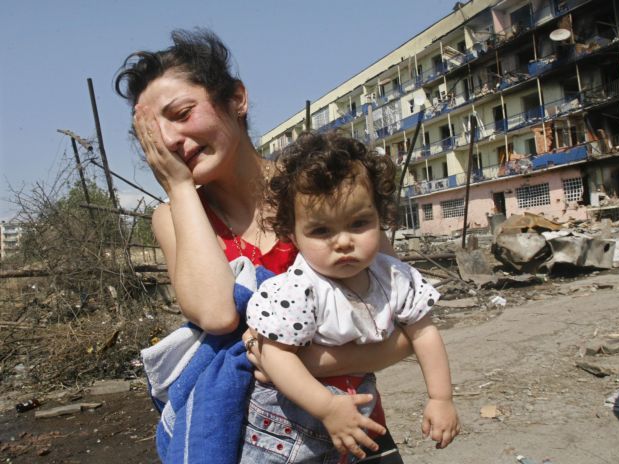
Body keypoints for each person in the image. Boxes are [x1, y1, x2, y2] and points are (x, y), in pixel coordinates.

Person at [115, 29, 415, 463]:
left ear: (237, 99)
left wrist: (301, 365)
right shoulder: (175, 216)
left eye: (181, 113)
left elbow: (408, 329)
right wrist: (179, 188)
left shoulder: (321, 191)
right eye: (154, 134)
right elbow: (217, 315)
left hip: (357, 434)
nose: (173, 141)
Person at [240, 132, 460, 463]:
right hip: (288, 427)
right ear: (293, 234)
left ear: (380, 217)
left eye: (359, 223)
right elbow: (274, 356)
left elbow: (424, 332)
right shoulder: (298, 288)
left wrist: (440, 398)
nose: (343, 242)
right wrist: (326, 407)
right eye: (321, 231)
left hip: (353, 416)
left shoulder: (394, 278)